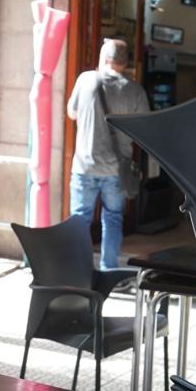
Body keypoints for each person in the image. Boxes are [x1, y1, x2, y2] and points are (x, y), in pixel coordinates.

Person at [66, 38, 150, 269]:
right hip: (116, 168)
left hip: (84, 165)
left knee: (80, 220)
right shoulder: (134, 91)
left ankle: (78, 270)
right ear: (125, 63)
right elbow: (144, 129)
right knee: (112, 219)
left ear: (104, 58)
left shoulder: (86, 80)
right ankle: (108, 268)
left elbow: (72, 113)